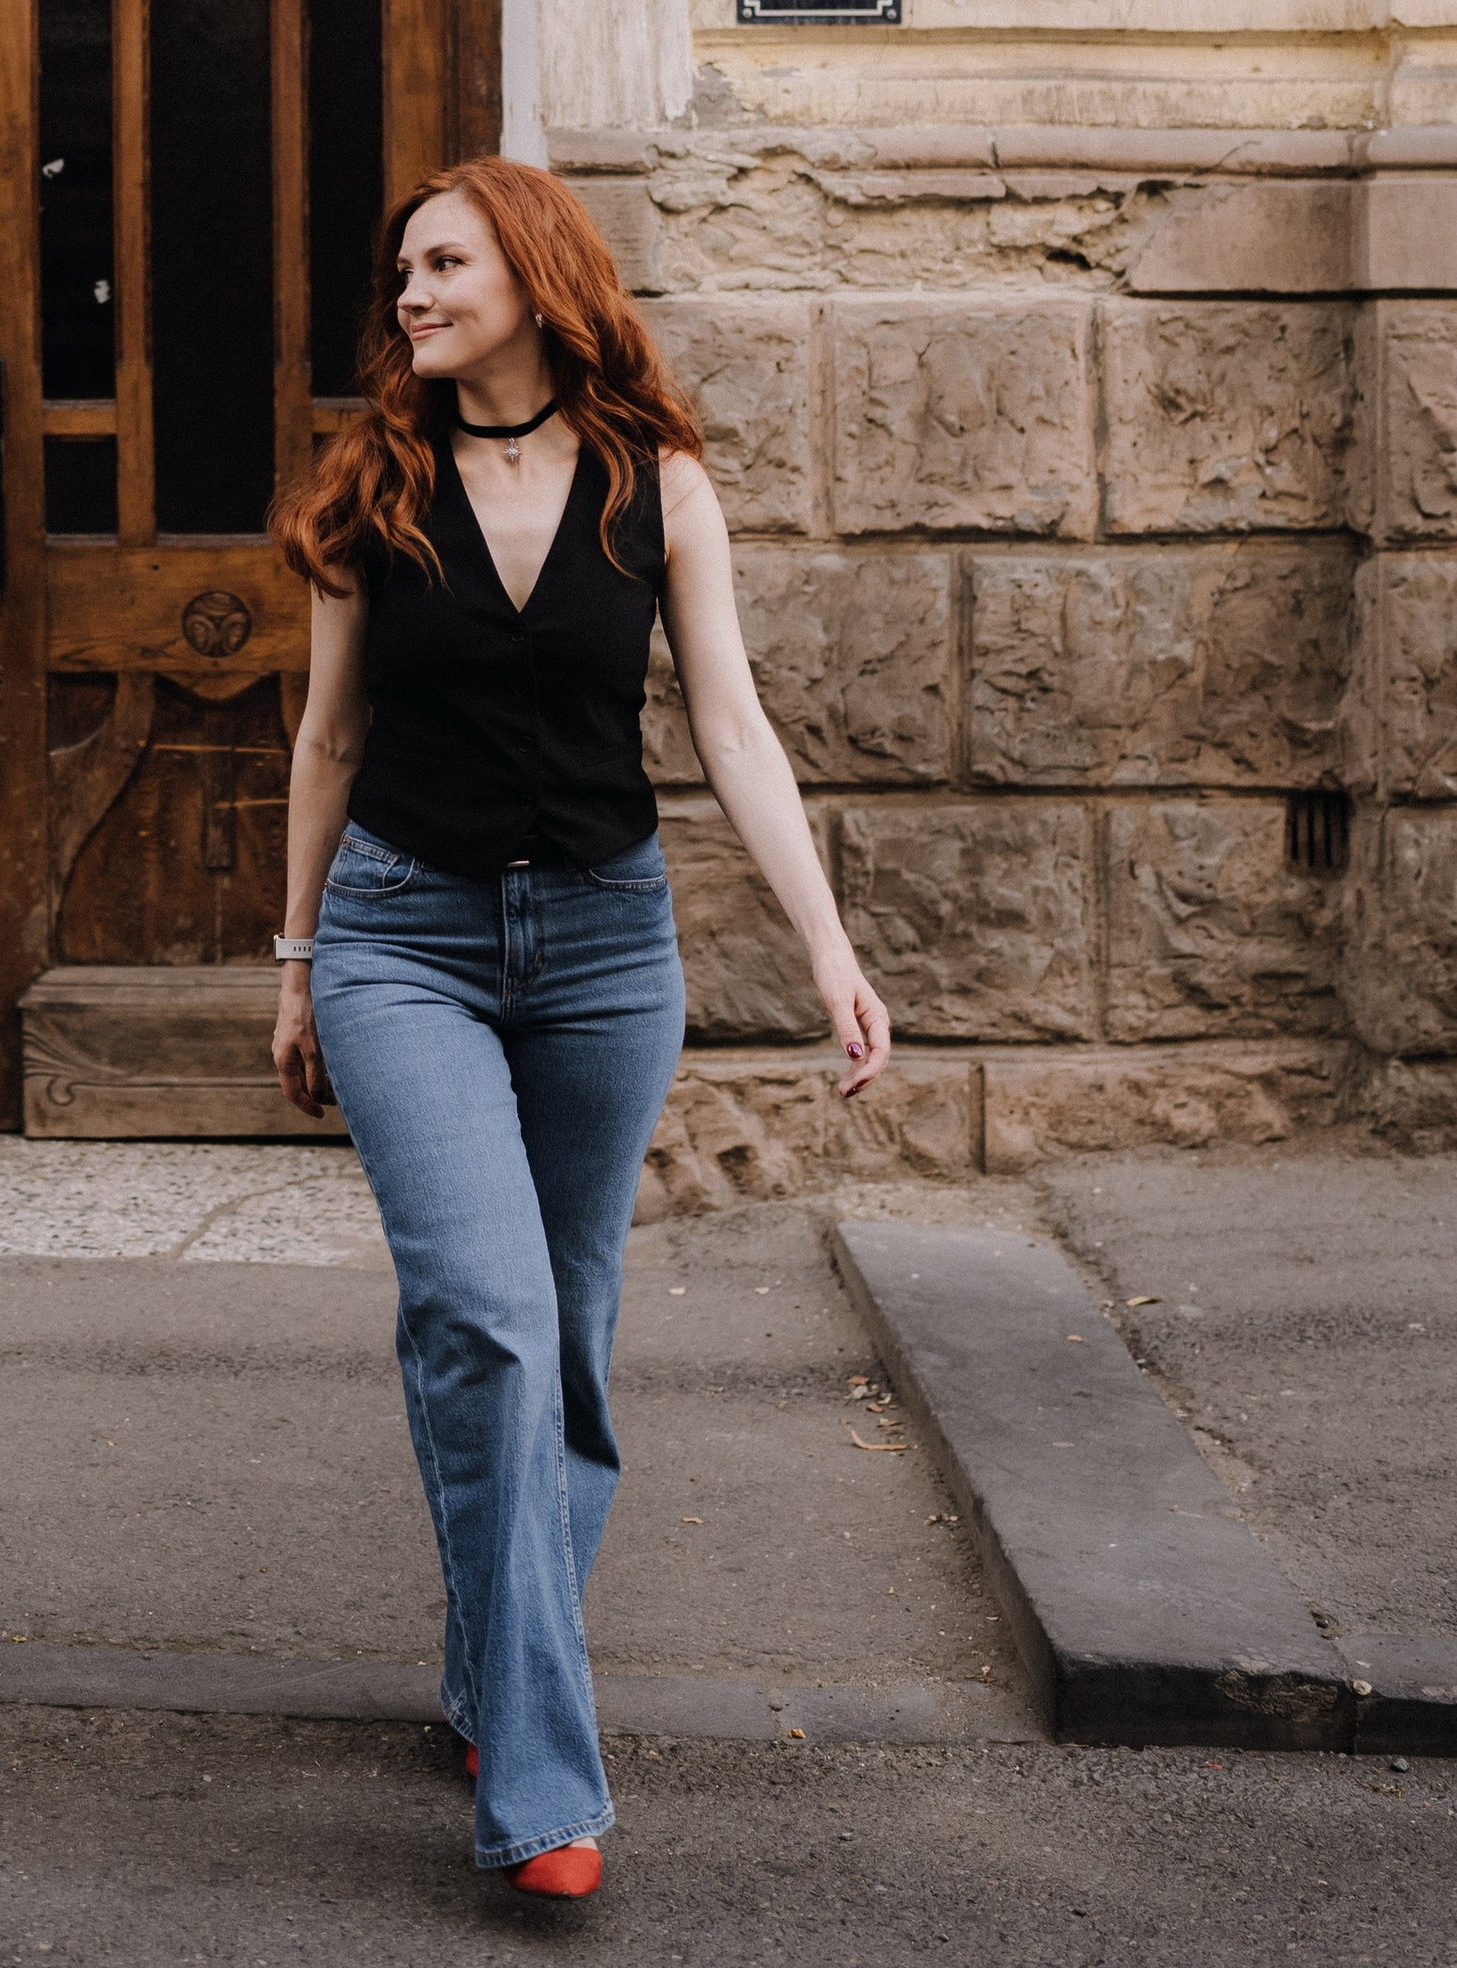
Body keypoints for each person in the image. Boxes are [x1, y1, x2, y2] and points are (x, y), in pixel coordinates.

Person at [269, 158, 891, 1895]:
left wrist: (832, 951)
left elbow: (734, 730)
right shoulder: (373, 483)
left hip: (610, 953)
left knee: (575, 1337)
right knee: (486, 1316)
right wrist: (300, 959)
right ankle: (543, 1790)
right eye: (402, 268)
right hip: (407, 938)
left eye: (444, 261)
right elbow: (325, 743)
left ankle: (488, 1665)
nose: (409, 291)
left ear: (536, 278)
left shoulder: (656, 484)